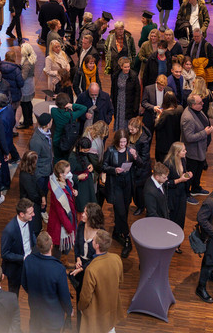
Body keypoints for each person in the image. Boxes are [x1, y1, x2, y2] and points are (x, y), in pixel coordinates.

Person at [22, 231, 73, 333]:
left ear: (38, 246)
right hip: (53, 316)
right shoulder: (58, 269)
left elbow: (24, 283)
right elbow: (64, 295)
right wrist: (69, 310)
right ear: (51, 246)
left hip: (36, 312)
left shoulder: (28, 261)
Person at [78, 229, 123, 333]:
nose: (92, 241)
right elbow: (120, 282)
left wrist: (80, 307)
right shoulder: (117, 259)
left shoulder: (91, 269)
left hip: (96, 315)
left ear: (97, 245)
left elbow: (86, 297)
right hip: (111, 310)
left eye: (94, 240)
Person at [103, 128, 138, 257]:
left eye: (125, 142)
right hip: (115, 184)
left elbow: (140, 164)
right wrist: (114, 170)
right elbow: (104, 166)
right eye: (121, 142)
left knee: (125, 209)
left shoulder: (130, 150)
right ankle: (127, 238)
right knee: (121, 211)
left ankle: (117, 231)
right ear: (117, 141)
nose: (123, 144)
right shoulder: (111, 150)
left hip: (127, 184)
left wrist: (136, 156)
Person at [1, 198, 36, 295]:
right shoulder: (9, 230)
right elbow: (5, 254)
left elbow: (32, 233)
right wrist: (23, 258)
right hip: (15, 269)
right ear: (22, 214)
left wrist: (36, 245)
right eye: (30, 213)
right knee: (14, 294)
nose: (33, 214)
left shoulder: (30, 220)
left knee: (33, 292)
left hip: (30, 263)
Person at [181, 94, 213, 198]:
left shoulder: (198, 110)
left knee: (198, 171)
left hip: (200, 150)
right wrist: (205, 133)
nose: (203, 103)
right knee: (190, 174)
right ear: (193, 105)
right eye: (200, 103)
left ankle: (196, 188)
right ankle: (186, 194)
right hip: (192, 152)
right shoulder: (188, 118)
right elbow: (189, 137)